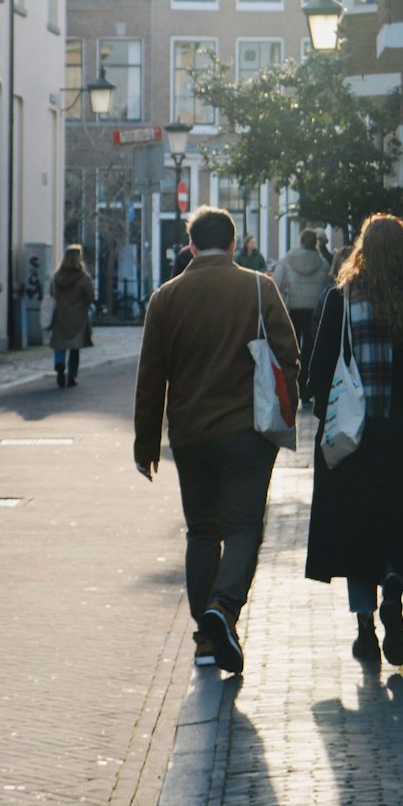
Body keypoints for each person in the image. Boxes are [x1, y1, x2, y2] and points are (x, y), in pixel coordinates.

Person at [134, 205, 299, 675]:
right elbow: (289, 355)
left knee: (202, 530)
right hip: (248, 432)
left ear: (190, 246)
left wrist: (146, 445)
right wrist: (283, 407)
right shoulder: (257, 287)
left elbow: (151, 379)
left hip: (190, 435)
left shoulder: (166, 298)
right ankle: (223, 610)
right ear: (232, 244)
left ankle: (207, 638)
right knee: (244, 528)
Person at [305, 214, 403, 668]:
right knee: (402, 522)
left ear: (363, 251)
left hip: (354, 437)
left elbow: (317, 373)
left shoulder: (341, 300)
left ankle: (365, 630)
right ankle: (394, 587)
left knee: (357, 530)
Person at [273, 229, 330, 399]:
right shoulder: (323, 264)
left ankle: (293, 385)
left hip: (294, 309)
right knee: (311, 349)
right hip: (314, 311)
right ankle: (307, 387)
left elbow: (276, 284)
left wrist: (285, 300)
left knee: (292, 348)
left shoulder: (287, 261)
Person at [49, 244, 94, 388]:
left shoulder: (56, 277)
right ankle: (72, 376)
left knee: (60, 344)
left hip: (60, 314)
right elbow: (90, 297)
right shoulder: (83, 278)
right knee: (75, 347)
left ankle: (59, 364)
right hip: (78, 316)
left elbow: (51, 294)